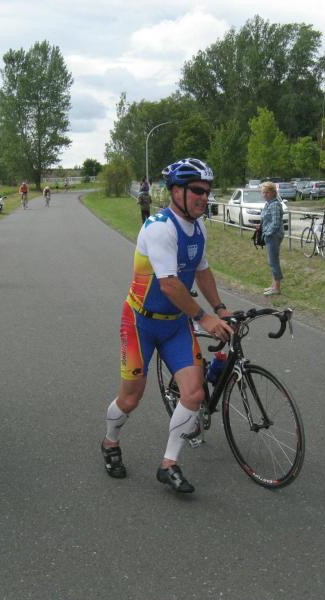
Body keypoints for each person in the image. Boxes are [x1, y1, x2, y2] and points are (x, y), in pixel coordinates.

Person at [101, 157, 233, 494]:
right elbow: (170, 285)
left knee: (194, 393)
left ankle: (169, 464)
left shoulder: (198, 228)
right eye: (198, 190)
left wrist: (220, 307)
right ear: (177, 191)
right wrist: (204, 317)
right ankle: (110, 441)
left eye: (208, 191)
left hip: (175, 325)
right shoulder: (160, 227)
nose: (205, 197)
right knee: (131, 399)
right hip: (140, 323)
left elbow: (202, 271)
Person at [259, 181, 284, 296]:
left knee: (273, 261)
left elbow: (276, 223)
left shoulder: (274, 205)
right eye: (263, 192)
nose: (264, 194)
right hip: (270, 235)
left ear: (273, 193)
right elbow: (267, 220)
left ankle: (277, 287)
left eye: (267, 192)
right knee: (271, 260)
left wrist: (267, 233)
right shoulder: (268, 204)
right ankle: (273, 285)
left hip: (273, 236)